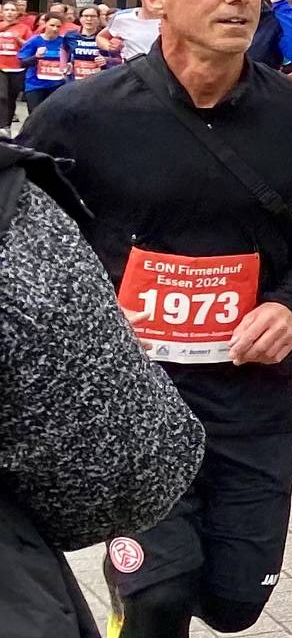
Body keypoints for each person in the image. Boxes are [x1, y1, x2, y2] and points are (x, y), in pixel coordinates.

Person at [21, 0, 292, 637]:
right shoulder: (78, 118)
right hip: (131, 399)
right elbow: (25, 243)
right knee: (158, 599)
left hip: (252, 395)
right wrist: (86, 328)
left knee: (235, 604)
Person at [0, 133, 209, 637]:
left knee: (229, 594)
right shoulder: (79, 117)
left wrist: (291, 300)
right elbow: (122, 471)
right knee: (162, 590)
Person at [21, 10, 70, 109]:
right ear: (45, 24)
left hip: (57, 86)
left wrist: (69, 66)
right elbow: (22, 62)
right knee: (35, 117)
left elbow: (70, 61)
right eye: (52, 25)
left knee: (54, 118)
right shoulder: (34, 41)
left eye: (58, 26)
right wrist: (36, 57)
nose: (55, 29)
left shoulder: (65, 42)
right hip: (35, 85)